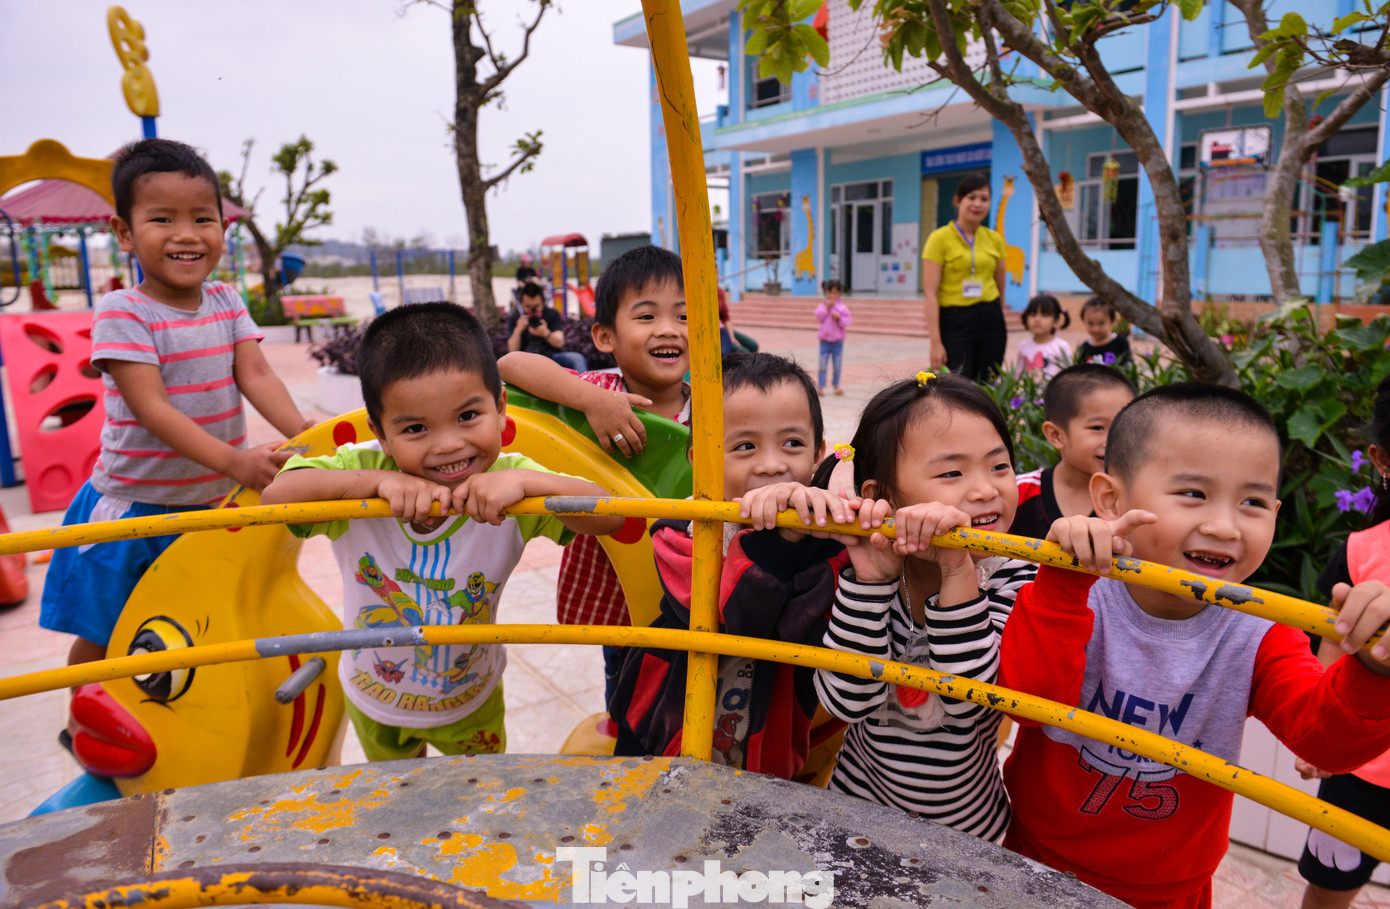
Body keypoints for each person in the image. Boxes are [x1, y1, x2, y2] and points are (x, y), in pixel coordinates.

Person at [1000, 383, 1390, 909]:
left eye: (1253, 502)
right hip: (1030, 861)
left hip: (1170, 890)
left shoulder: (1260, 632)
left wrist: (1373, 668)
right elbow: (1026, 703)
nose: (1224, 526)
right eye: (1193, 493)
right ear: (1110, 499)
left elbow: (1323, 744)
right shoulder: (1071, 592)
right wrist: (1062, 584)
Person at [262, 302, 623, 761]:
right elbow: (276, 498)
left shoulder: (511, 480)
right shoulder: (362, 468)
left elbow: (610, 514)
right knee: (397, 793)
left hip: (470, 698)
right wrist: (377, 483)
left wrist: (527, 483)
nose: (449, 444)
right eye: (416, 428)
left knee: (477, 793)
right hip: (374, 695)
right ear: (381, 433)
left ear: (501, 407)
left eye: (468, 416)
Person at [39, 138, 313, 667]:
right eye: (162, 219)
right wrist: (237, 462)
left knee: (193, 628)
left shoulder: (226, 301)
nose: (186, 234)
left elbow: (256, 374)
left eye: (202, 219)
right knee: (109, 633)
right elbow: (153, 410)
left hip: (210, 505)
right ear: (124, 232)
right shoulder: (124, 311)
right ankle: (87, 707)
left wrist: (302, 430)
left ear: (223, 229)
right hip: (135, 508)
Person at [811, 371, 1037, 841]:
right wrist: (872, 582)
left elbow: (970, 707)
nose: (985, 490)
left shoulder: (1018, 578)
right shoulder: (864, 566)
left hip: (966, 833)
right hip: (853, 811)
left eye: (999, 466)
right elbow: (846, 701)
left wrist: (957, 571)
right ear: (880, 496)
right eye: (952, 473)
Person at [609, 352, 852, 778]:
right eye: (745, 447)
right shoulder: (681, 529)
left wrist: (812, 529)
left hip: (767, 748)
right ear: (700, 458)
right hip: (659, 729)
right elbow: (734, 618)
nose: (772, 465)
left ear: (818, 454)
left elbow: (806, 626)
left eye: (792, 444)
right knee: (634, 803)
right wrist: (782, 540)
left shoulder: (828, 535)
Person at [498, 244, 690, 705]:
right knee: (625, 691)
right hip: (616, 592)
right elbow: (510, 365)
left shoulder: (720, 404)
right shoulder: (599, 391)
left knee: (687, 692)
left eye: (684, 316)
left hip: (691, 592)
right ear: (605, 337)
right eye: (647, 316)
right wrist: (590, 400)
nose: (669, 328)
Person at [1294, 376, 1390, 909]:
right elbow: (1330, 654)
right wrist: (1322, 738)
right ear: (1382, 460)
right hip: (1362, 773)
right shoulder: (1360, 551)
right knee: (1327, 897)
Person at [1012, 365, 1136, 539]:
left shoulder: (1137, 497)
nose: (1115, 440)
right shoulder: (1016, 493)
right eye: (1097, 427)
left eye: (1124, 426)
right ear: (1056, 435)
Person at [922, 174, 1008, 381]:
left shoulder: (994, 239)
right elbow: (930, 294)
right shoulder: (939, 239)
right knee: (959, 382)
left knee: (989, 380)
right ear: (958, 200)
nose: (978, 204)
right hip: (955, 321)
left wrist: (999, 317)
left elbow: (1000, 287)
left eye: (984, 198)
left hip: (990, 319)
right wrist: (935, 342)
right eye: (972, 197)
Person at [506, 281, 586, 373]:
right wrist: (518, 330)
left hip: (550, 357)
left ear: (543, 303)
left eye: (536, 306)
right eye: (528, 306)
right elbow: (512, 350)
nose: (532, 310)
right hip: (525, 360)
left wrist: (546, 333)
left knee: (577, 359)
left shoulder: (551, 314)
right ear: (521, 304)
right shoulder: (516, 318)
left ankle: (585, 381)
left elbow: (559, 342)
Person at [1015, 294, 1072, 379]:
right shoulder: (1023, 346)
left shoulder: (1061, 347)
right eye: (1033, 314)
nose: (1037, 319)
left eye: (1044, 315)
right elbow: (1019, 373)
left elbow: (1068, 375)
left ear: (1056, 320)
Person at [815, 279, 851, 396]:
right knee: (822, 364)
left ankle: (836, 385)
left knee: (837, 365)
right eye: (829, 292)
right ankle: (821, 386)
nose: (832, 295)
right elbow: (819, 316)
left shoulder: (842, 308)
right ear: (826, 292)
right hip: (824, 342)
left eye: (835, 293)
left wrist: (839, 318)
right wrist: (827, 308)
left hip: (837, 343)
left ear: (840, 293)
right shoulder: (822, 306)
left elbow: (847, 321)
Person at [1076, 296, 1132, 365]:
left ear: (1112, 321)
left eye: (1101, 323)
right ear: (1083, 321)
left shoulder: (1120, 342)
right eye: (1090, 323)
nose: (1096, 329)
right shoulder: (1084, 348)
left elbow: (1128, 366)